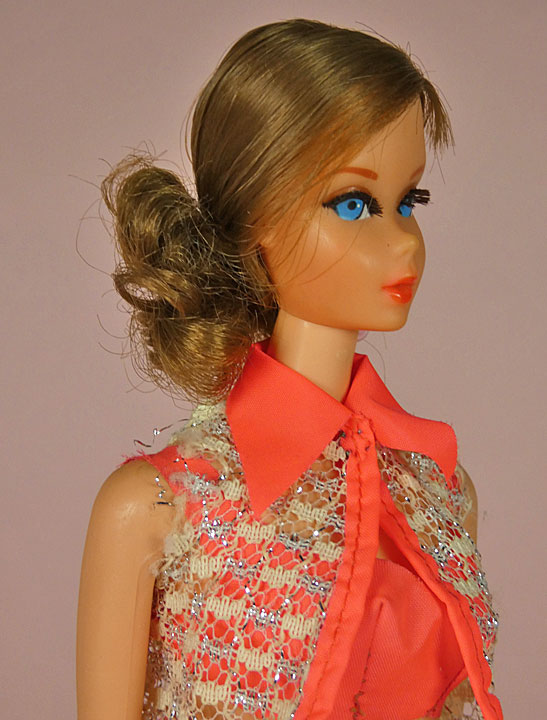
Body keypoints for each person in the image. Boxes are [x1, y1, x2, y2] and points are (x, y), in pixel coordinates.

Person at [76, 18, 503, 720]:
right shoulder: (155, 507)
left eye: (410, 201)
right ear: (256, 222)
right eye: (353, 203)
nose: (403, 240)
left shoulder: (440, 493)